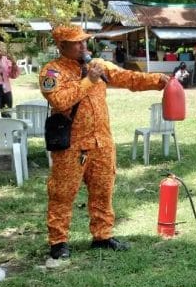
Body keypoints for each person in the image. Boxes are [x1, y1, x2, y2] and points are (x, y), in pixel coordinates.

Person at [39, 26, 169, 260]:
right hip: (72, 146)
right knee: (62, 193)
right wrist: (89, 80)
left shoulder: (97, 65)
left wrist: (157, 80)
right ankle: (58, 242)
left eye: (84, 41)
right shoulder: (52, 72)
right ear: (62, 46)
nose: (83, 45)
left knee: (103, 191)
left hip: (102, 143)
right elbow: (60, 101)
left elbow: (128, 78)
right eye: (76, 42)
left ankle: (102, 236)